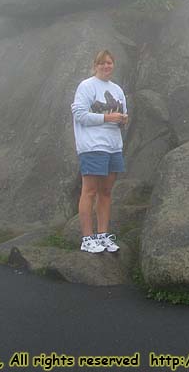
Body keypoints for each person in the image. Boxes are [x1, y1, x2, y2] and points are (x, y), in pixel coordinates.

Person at [71, 50, 128, 253]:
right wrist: (106, 118)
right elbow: (79, 114)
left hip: (113, 146)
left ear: (113, 65)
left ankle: (103, 235)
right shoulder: (86, 86)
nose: (106, 66)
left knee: (106, 192)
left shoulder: (117, 90)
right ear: (95, 66)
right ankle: (87, 238)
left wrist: (122, 120)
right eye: (102, 63)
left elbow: (121, 115)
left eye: (109, 63)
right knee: (90, 191)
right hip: (93, 146)